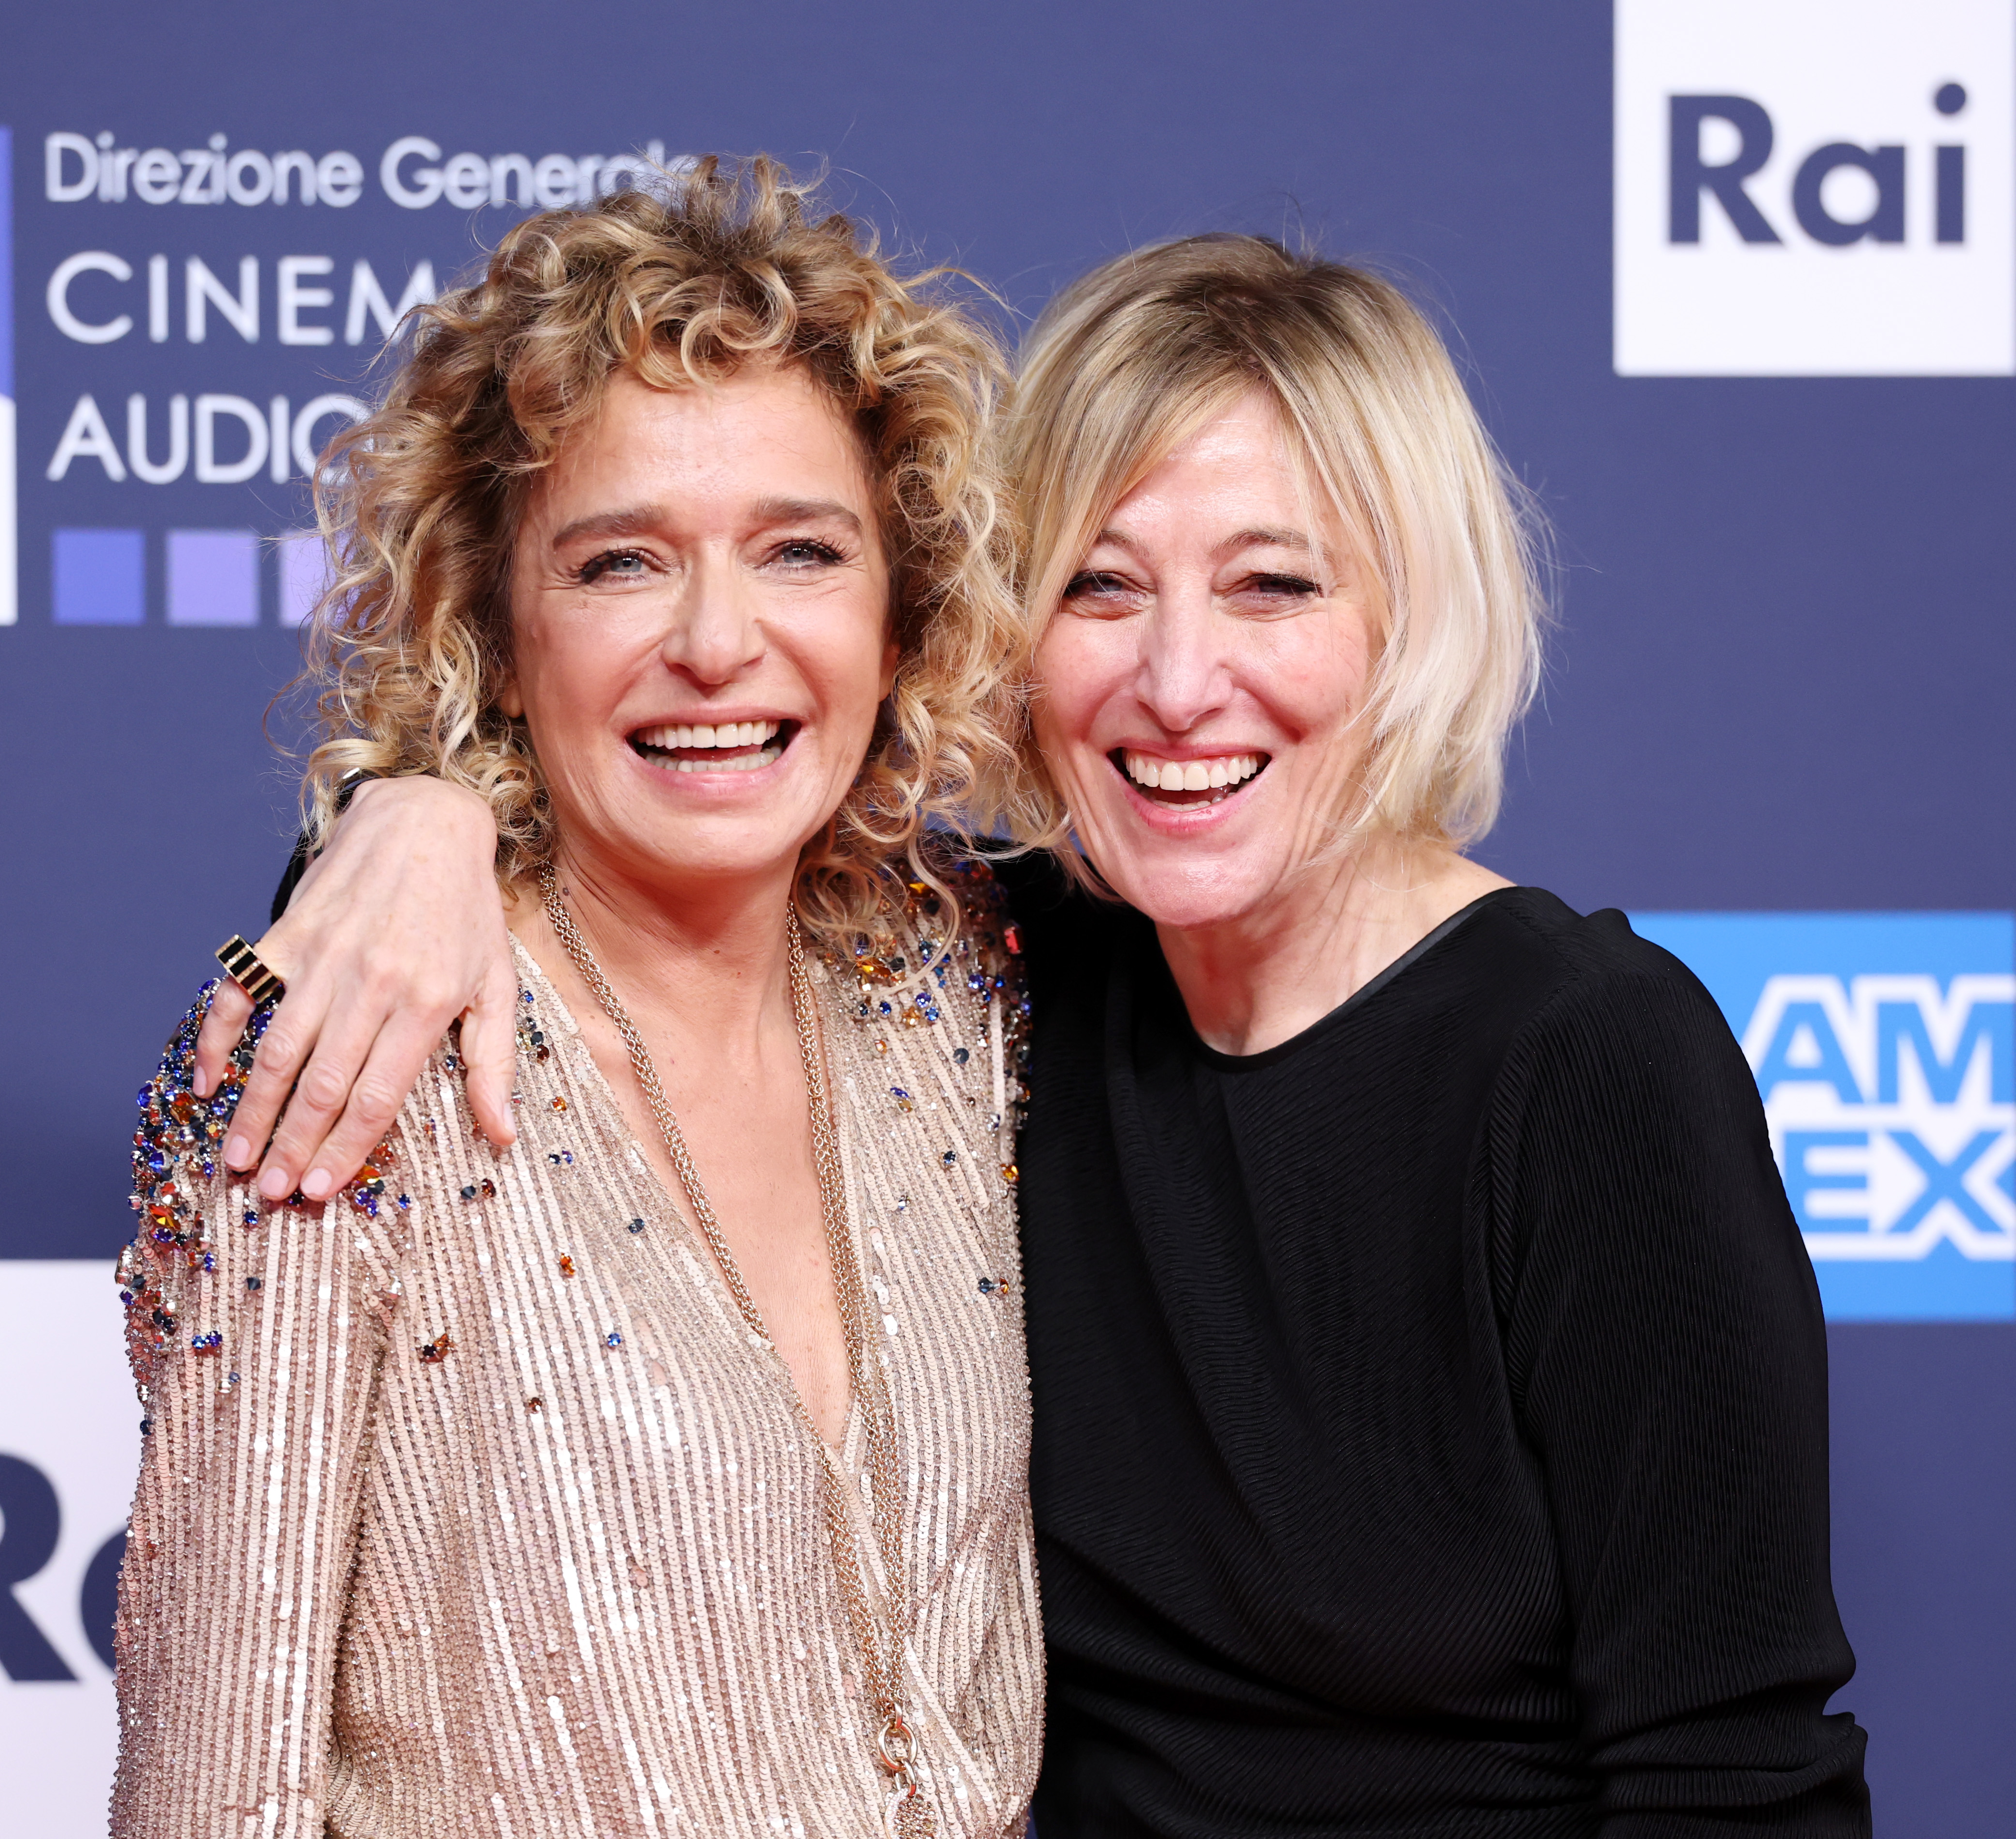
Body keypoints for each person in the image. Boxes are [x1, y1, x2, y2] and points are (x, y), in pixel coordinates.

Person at [198, 234, 1871, 1836]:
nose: (1180, 681)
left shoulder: (1587, 1064)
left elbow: (1734, 1779)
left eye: (1273, 586)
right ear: (1000, 625)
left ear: (1407, 623)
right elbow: (518, 891)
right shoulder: (993, 982)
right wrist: (411, 814)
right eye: (1101, 587)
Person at [112, 159, 1042, 1839]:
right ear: (493, 621)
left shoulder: (949, 991)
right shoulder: (346, 1054)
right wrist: (407, 805)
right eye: (621, 563)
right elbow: (213, 1794)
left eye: (801, 551)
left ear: (900, 616)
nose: (717, 642)